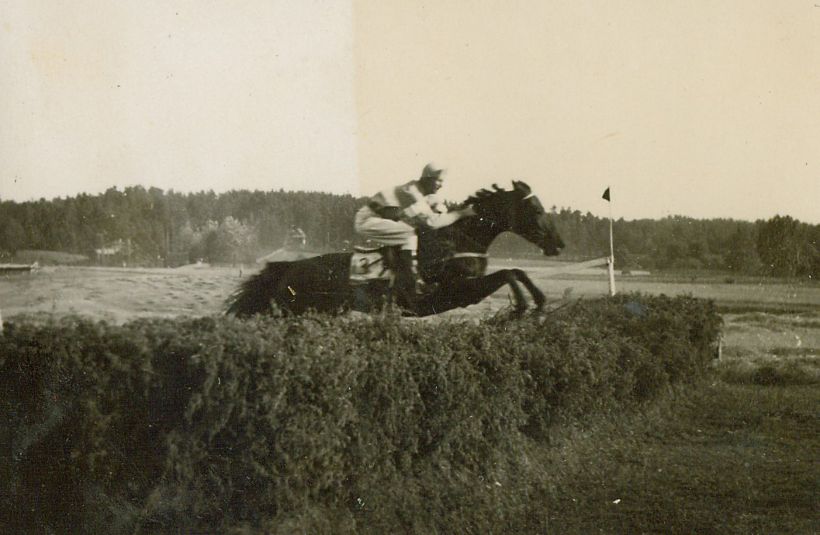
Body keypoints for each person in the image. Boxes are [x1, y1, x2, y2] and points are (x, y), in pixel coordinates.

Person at [354, 162, 476, 301]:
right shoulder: (411, 193)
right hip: (367, 220)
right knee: (408, 233)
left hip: (383, 218)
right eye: (439, 181)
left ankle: (405, 276)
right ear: (427, 179)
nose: (441, 185)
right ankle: (412, 280)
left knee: (412, 232)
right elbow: (432, 222)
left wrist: (445, 211)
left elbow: (437, 214)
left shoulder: (421, 193)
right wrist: (462, 213)